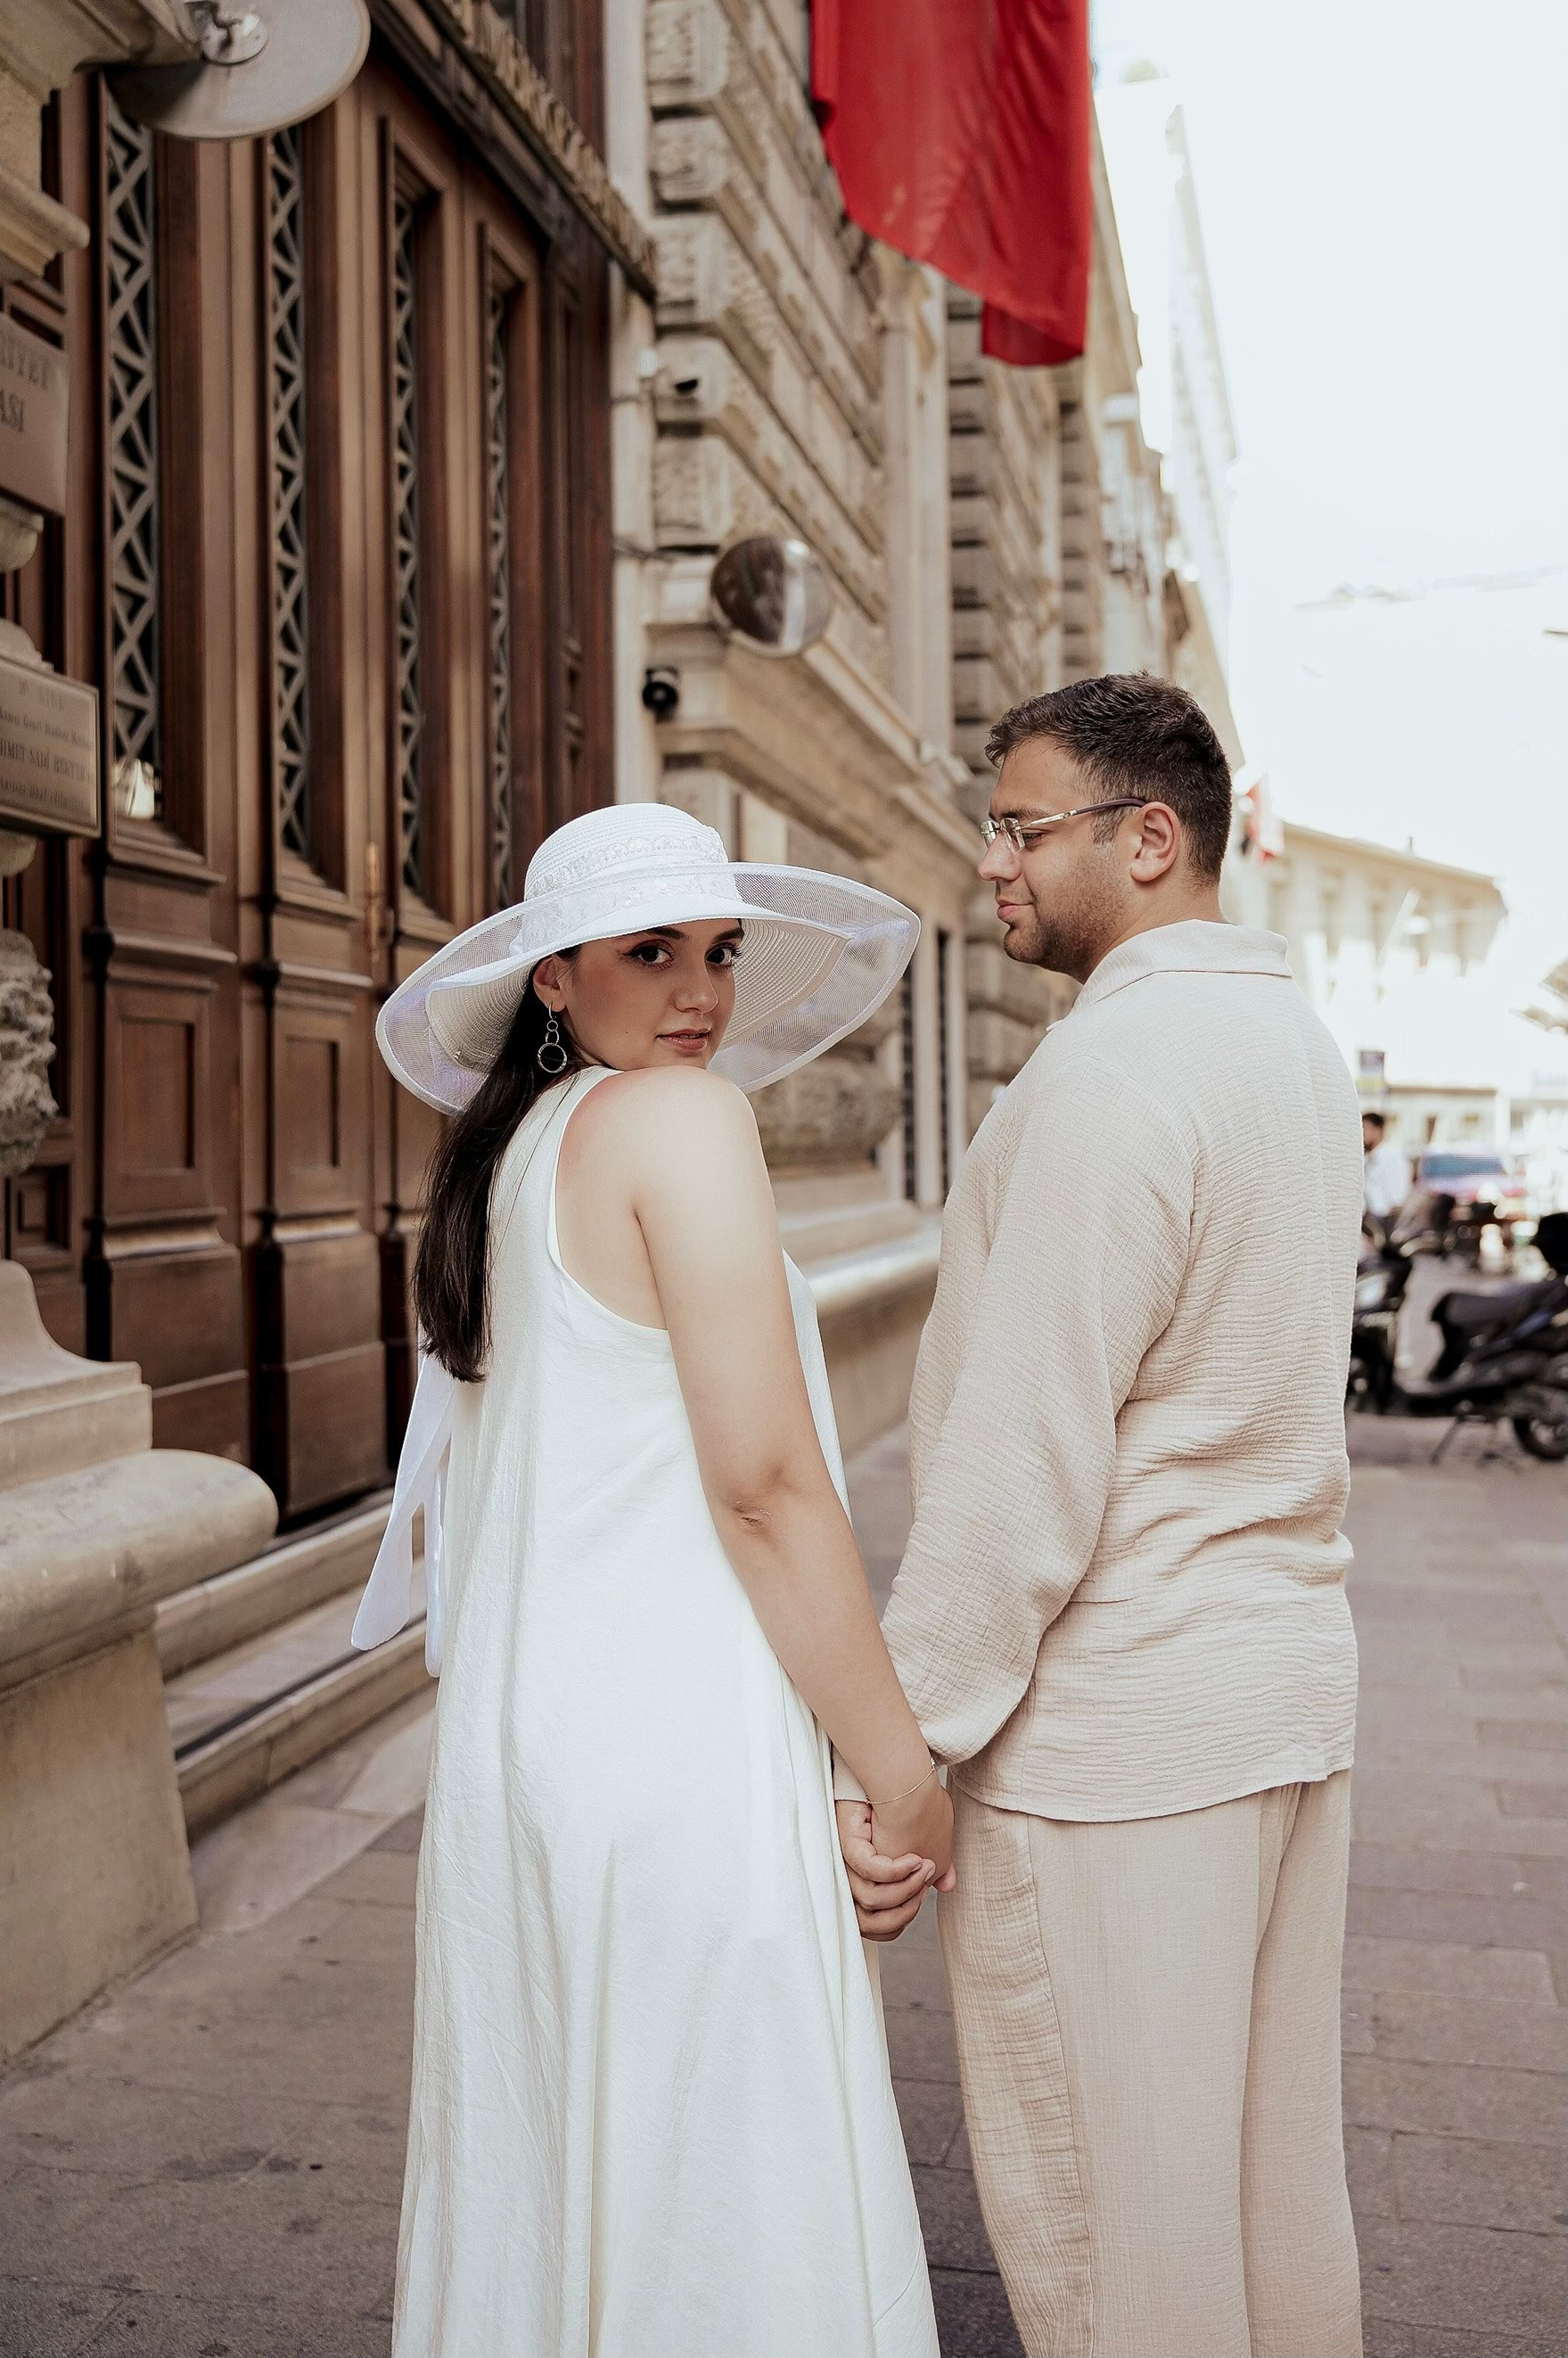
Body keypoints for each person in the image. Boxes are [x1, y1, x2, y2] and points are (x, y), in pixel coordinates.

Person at [352, 802, 947, 2358]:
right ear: (551, 978)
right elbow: (761, 1487)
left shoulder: (510, 1160)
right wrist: (900, 1771)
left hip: (527, 1764)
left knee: (553, 2188)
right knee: (721, 2230)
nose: (697, 993)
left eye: (719, 952)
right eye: (649, 954)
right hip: (674, 1770)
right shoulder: (681, 1126)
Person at [840, 675, 1365, 2358]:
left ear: (1148, 841)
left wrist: (897, 1758)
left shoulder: (1106, 1078)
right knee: (1263, 2200)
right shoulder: (1286, 1043)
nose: (989, 862)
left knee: (1111, 2248)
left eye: (1019, 827)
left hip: (1119, 1736)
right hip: (1278, 1699)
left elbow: (1018, 1464)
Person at [1362, 1108, 1411, 1224]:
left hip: (1384, 1220)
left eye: (1365, 1129)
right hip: (1368, 1218)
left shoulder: (1392, 1157)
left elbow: (1399, 1195)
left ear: (1379, 1130)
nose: (1362, 1134)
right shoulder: (1366, 1157)